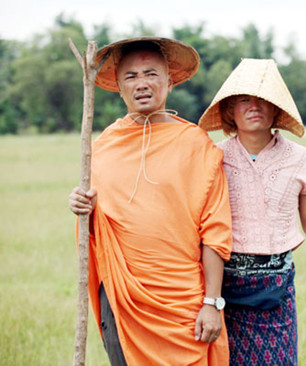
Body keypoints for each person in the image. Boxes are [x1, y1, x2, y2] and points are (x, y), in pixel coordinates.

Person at [68, 37, 233, 366]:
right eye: (130, 76)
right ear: (117, 85)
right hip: (122, 298)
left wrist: (212, 302)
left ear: (170, 82)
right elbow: (98, 225)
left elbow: (215, 232)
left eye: (151, 74)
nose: (141, 84)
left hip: (183, 301)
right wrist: (81, 207)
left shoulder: (196, 146)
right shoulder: (103, 147)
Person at [198, 58, 306, 366]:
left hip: (277, 288)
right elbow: (204, 230)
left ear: (276, 109)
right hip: (223, 288)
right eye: (244, 100)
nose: (254, 107)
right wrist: (211, 300)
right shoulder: (213, 158)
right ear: (231, 110)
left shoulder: (300, 159)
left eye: (263, 100)